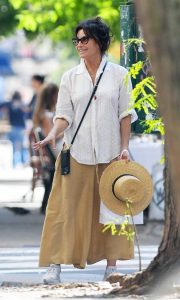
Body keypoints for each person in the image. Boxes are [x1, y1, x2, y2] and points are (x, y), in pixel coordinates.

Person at [34, 17, 138, 284]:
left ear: (98, 42)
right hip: (77, 153)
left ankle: (110, 268)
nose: (79, 44)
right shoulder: (70, 77)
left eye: (84, 39)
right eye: (76, 40)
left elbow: (125, 114)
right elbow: (64, 116)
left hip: (111, 152)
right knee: (63, 210)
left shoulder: (119, 75)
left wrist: (124, 148)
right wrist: (52, 135)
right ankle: (53, 266)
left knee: (112, 209)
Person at [32, 83, 60, 214]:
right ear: (52, 96)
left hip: (52, 151)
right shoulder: (46, 115)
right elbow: (52, 137)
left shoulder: (43, 114)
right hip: (55, 152)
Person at [0, 91, 26, 167]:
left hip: (12, 127)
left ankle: (14, 163)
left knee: (13, 146)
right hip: (21, 128)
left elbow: (1, 106)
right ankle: (22, 162)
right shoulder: (22, 104)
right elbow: (28, 112)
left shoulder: (9, 103)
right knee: (21, 145)